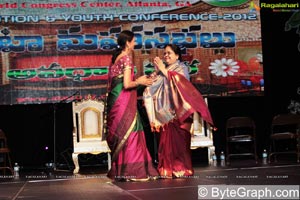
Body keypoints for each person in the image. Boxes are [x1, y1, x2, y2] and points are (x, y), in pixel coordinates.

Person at [143, 44, 214, 178]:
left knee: (180, 144)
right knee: (165, 145)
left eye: (169, 53)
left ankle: (181, 169)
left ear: (177, 56)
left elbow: (180, 84)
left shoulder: (182, 68)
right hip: (164, 114)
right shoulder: (163, 70)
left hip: (180, 114)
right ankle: (166, 169)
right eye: (165, 53)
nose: (166, 56)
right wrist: (155, 74)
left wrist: (164, 70)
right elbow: (151, 87)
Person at [106, 30, 159, 181]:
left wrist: (147, 79)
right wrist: (141, 81)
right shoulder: (127, 59)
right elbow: (128, 84)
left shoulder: (115, 59)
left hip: (116, 101)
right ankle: (134, 171)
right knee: (132, 131)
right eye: (134, 41)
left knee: (125, 133)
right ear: (128, 43)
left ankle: (124, 171)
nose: (136, 43)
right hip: (123, 102)